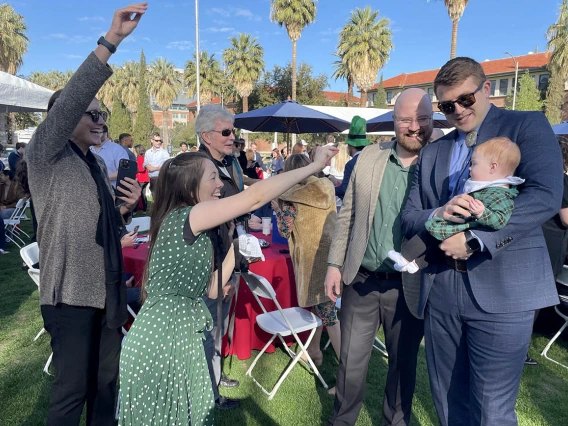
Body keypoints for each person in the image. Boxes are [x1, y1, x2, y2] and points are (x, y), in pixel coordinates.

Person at [119, 146, 338, 425]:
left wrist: (235, 250)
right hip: (161, 343)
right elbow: (253, 197)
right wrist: (312, 166)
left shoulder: (192, 226)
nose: (220, 184)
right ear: (189, 185)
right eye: (213, 177)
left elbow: (211, 290)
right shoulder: (187, 216)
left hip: (184, 340)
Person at [400, 57, 562, 426]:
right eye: (446, 106)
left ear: (486, 89)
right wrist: (439, 213)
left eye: (465, 100)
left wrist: (475, 239)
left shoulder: (526, 125)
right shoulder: (433, 152)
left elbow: (545, 195)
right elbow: (410, 215)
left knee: (492, 410)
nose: (456, 110)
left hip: (505, 292)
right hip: (441, 289)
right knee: (447, 401)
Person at [25, 5, 145, 425]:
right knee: (72, 389)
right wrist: (111, 40)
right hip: (70, 293)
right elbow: (73, 96)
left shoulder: (92, 163)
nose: (100, 121)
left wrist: (123, 211)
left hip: (107, 290)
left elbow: (101, 224)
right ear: (63, 120)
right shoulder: (46, 154)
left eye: (103, 115)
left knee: (105, 387)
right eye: (91, 114)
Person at [325, 89, 430, 426]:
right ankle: (342, 420)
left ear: (432, 119)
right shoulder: (369, 157)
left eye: (422, 119)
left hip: (409, 285)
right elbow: (348, 215)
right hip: (361, 279)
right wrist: (333, 265)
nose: (414, 127)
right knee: (350, 363)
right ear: (393, 120)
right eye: (405, 119)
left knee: (402, 365)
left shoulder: (439, 161)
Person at [389, 137, 524, 274]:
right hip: (457, 224)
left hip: (463, 229)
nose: (469, 168)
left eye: (474, 164)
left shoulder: (500, 194)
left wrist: (482, 213)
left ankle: (406, 259)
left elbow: (500, 220)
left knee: (431, 235)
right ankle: (411, 261)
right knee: (432, 238)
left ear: (492, 167)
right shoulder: (488, 187)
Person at [196, 105, 250, 410]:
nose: (233, 137)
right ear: (207, 136)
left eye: (234, 131)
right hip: (212, 264)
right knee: (209, 329)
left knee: (218, 327)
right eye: (226, 132)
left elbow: (236, 201)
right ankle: (209, 394)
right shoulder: (198, 168)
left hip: (232, 256)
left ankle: (214, 377)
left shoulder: (230, 163)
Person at [273, 153, 341, 380]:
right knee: (322, 307)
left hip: (312, 260)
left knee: (329, 315)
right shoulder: (326, 186)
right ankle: (314, 351)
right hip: (334, 255)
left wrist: (277, 207)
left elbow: (284, 231)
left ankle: (348, 372)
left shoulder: (291, 197)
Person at [335, 116, 369, 200]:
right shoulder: (372, 160)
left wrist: (330, 189)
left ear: (352, 146)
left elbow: (344, 190)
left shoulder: (351, 164)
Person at [134, 144, 150, 213]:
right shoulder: (145, 157)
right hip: (145, 179)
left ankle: (135, 210)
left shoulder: (140, 158)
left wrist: (135, 169)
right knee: (143, 194)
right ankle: (144, 209)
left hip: (141, 179)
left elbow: (141, 168)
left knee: (138, 194)